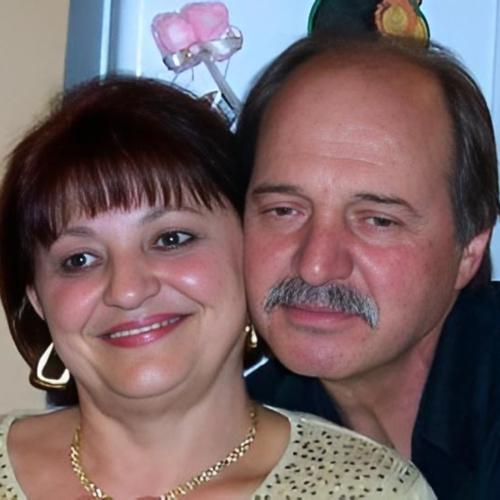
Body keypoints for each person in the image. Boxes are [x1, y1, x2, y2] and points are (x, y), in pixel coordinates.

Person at [0, 76, 435, 499]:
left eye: (171, 239)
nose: (128, 291)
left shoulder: (371, 490)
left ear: (248, 250)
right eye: (79, 259)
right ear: (37, 299)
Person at [240, 33, 500, 500]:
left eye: (378, 220)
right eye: (283, 210)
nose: (315, 266)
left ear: (469, 249)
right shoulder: (248, 435)